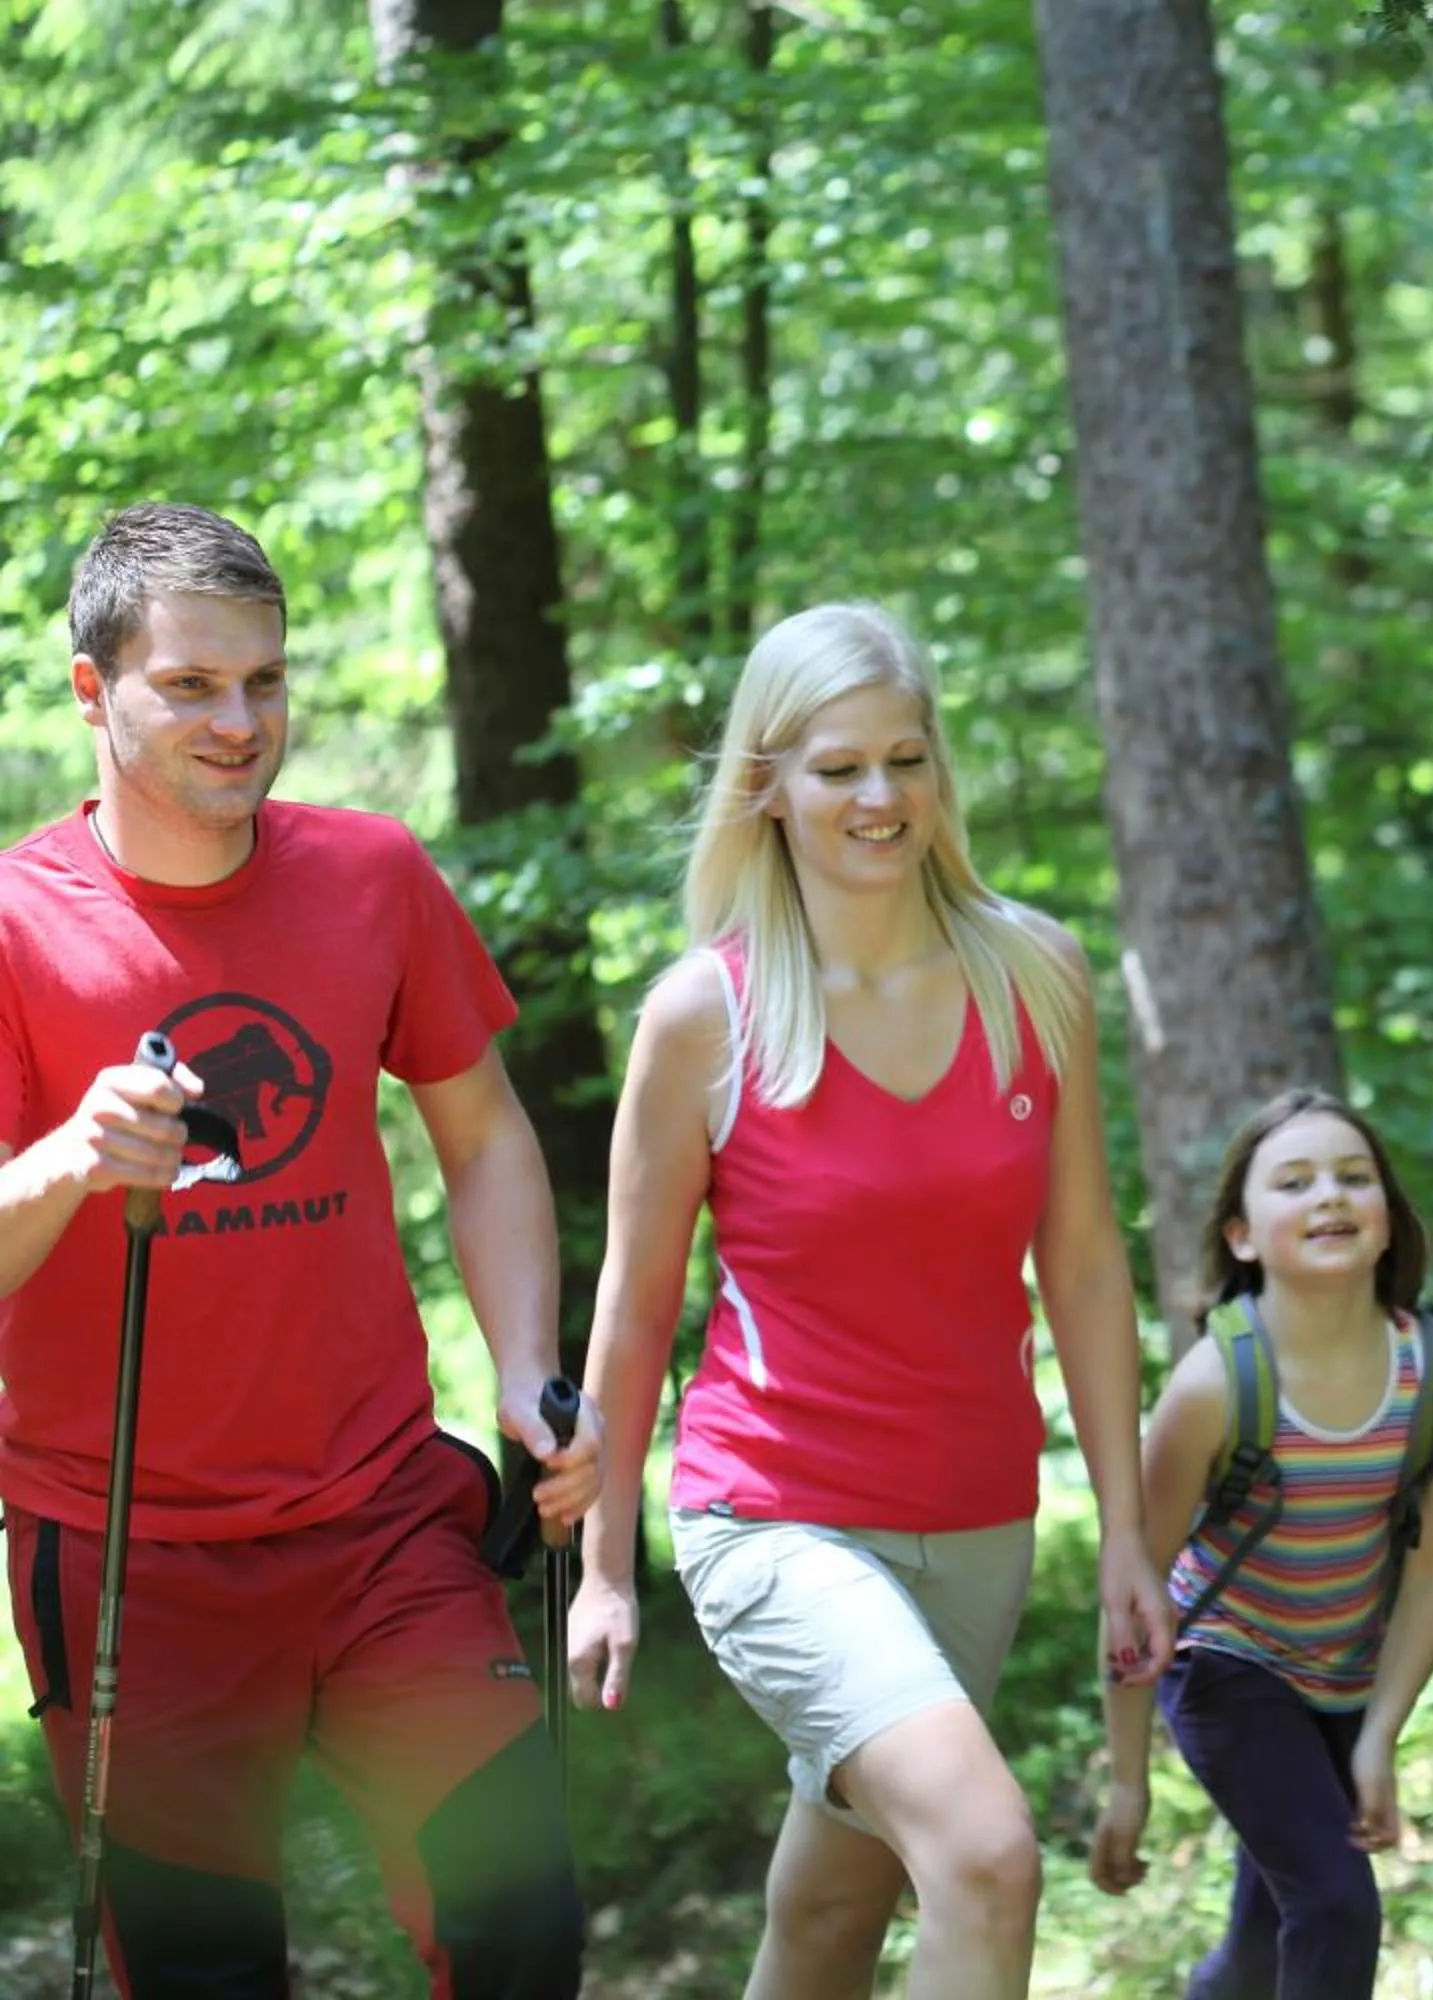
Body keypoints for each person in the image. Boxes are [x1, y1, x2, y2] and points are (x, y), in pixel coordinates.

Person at [0, 502, 603, 1994]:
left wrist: (528, 1371)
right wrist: (74, 1156)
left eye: (265, 682)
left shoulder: (371, 874)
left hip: (384, 1519)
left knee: (521, 1931)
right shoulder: (17, 926)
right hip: (134, 1562)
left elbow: (488, 1137)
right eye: (192, 684)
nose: (241, 719)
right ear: (93, 691)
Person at [565, 600, 1173, 2000]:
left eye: (908, 760)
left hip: (978, 1519)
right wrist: (601, 1566)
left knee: (837, 1911)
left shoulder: (1035, 976)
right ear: (766, 784)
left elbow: (1082, 1264)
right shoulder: (702, 1016)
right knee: (984, 1852)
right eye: (840, 767)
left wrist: (1129, 1531)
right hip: (774, 1512)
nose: (881, 797)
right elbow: (636, 1304)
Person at [1089, 1088, 1433, 2000]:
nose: (1329, 1198)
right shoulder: (1214, 1385)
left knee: (1271, 1931)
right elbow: (1133, 1592)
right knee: (1337, 1906)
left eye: (1354, 1179)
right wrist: (1127, 1783)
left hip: (1348, 1669)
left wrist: (1380, 1732)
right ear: (1241, 1235)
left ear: (1388, 1222)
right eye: (1294, 1182)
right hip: (1226, 1659)